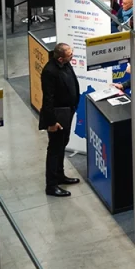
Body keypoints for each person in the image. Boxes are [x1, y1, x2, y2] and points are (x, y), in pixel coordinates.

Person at [39, 42, 81, 197]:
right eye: (70, 54)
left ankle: (60, 174)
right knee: (54, 149)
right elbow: (48, 99)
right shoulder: (49, 72)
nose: (72, 56)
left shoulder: (66, 65)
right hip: (57, 116)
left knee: (62, 145)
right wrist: (51, 122)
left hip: (67, 112)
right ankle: (51, 185)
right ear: (61, 58)